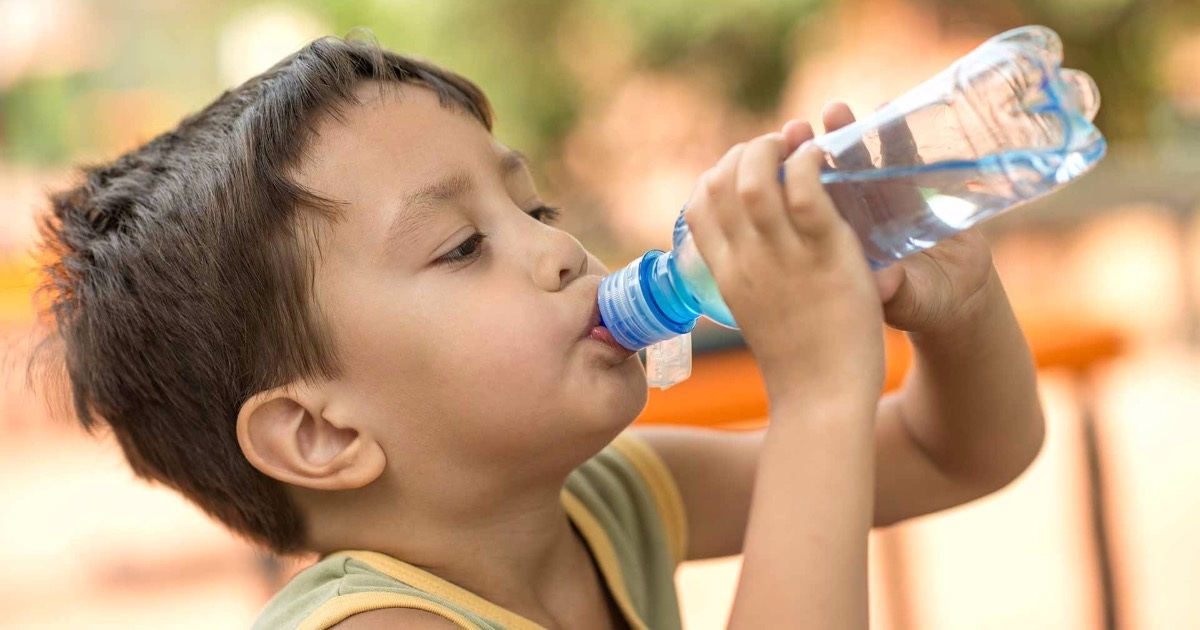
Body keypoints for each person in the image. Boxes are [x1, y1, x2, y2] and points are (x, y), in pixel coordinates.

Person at [35, 35, 1044, 629]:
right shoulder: (379, 629)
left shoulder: (607, 499)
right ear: (322, 433)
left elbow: (958, 452)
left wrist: (957, 311)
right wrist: (818, 387)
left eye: (539, 212)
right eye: (463, 246)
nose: (561, 255)